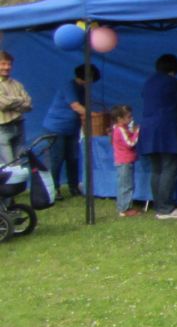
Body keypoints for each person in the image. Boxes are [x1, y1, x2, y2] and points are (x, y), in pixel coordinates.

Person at [138, 53, 177, 219]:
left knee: (156, 169)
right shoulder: (174, 83)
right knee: (169, 168)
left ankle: (159, 206)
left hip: (148, 130)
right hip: (168, 131)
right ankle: (165, 209)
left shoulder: (148, 82)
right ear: (174, 69)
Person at [40, 63, 99, 198]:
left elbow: (84, 108)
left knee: (73, 158)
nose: (91, 82)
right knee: (57, 158)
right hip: (56, 128)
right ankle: (54, 188)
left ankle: (74, 186)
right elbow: (76, 106)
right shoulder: (69, 86)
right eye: (90, 78)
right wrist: (94, 115)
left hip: (72, 128)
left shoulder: (83, 89)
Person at [109, 104, 141, 218]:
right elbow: (130, 143)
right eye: (128, 117)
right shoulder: (120, 129)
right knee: (125, 186)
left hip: (125, 161)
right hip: (124, 161)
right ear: (119, 119)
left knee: (126, 184)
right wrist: (137, 132)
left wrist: (132, 132)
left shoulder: (122, 129)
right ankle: (124, 209)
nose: (131, 119)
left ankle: (126, 206)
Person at [0, 50, 31, 167]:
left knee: (21, 164)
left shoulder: (17, 84)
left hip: (19, 125)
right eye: (3, 64)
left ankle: (19, 180)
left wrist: (11, 101)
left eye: (9, 64)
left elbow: (29, 105)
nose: (7, 67)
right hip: (2, 128)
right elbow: (3, 104)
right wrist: (19, 99)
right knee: (9, 165)